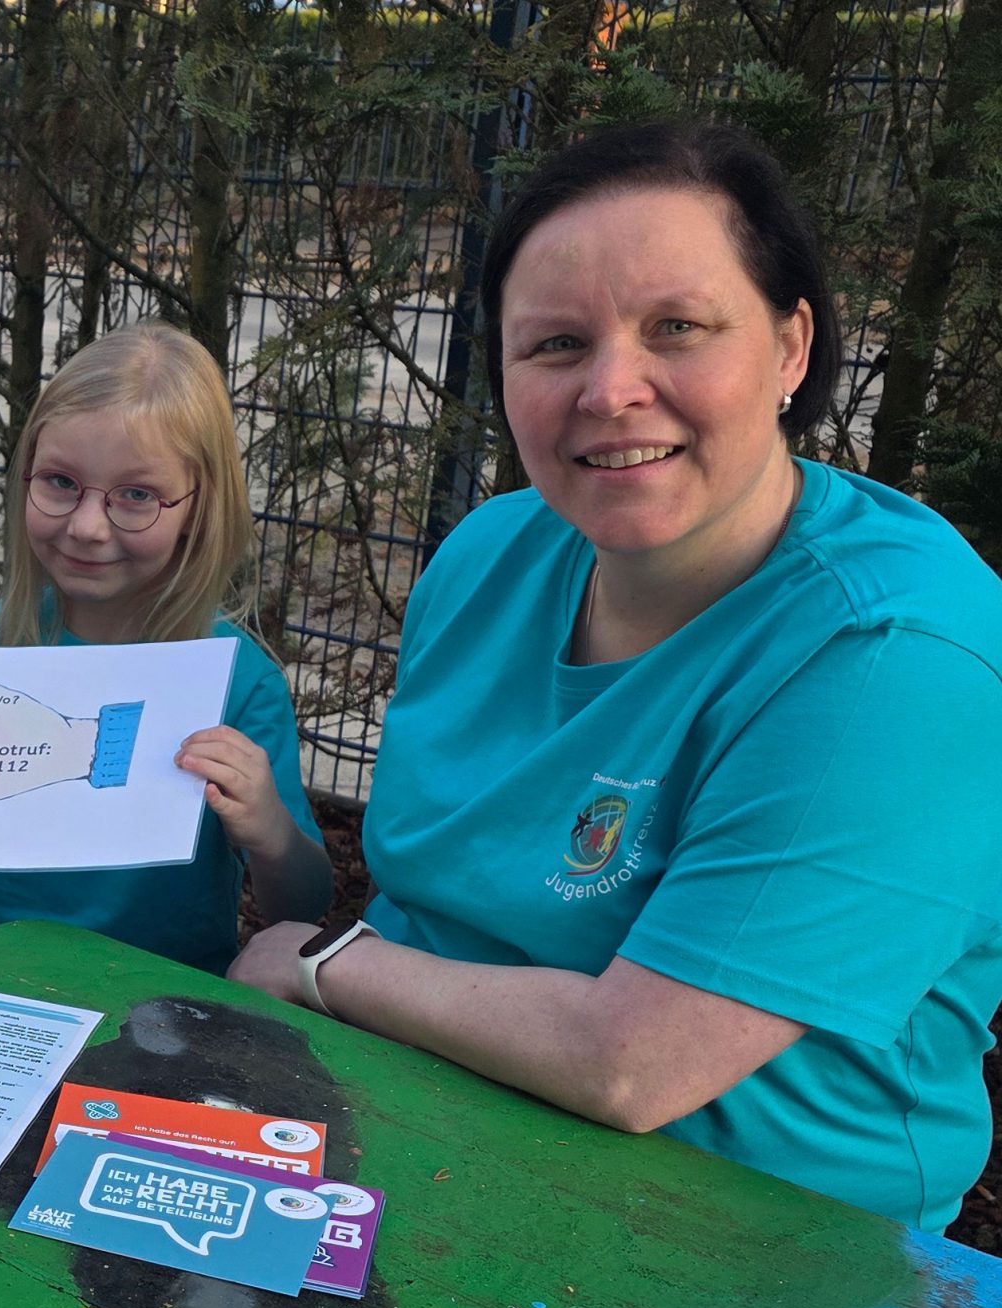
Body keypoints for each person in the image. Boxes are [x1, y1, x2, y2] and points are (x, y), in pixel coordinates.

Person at [228, 121, 1002, 1233]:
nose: (610, 389)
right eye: (553, 344)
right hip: (395, 1122)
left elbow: (635, 1064)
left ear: (790, 347)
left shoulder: (895, 658)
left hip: (740, 1241)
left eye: (676, 328)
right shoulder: (489, 555)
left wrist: (323, 965)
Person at [0, 324, 333, 973]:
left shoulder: (239, 682)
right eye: (60, 483)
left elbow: (302, 908)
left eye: (136, 495)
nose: (86, 526)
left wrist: (269, 830)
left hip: (160, 1010)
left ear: (200, 506)